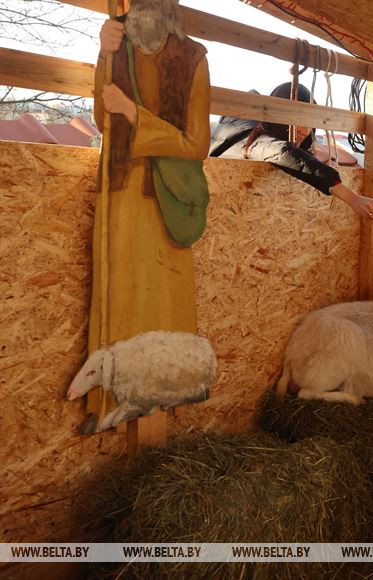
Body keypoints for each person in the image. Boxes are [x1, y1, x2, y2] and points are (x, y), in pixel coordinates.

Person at [87, 0, 211, 432]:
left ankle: (165, 393)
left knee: (162, 305)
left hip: (166, 201)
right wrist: (104, 55)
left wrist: (133, 113)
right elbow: (102, 118)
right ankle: (112, 397)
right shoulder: (114, 42)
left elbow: (198, 144)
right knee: (120, 297)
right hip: (121, 192)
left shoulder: (193, 56)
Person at [209, 82, 373, 223]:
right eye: (298, 123)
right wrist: (353, 198)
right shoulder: (253, 140)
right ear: (280, 120)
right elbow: (282, 152)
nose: (303, 131)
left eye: (308, 125)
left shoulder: (291, 138)